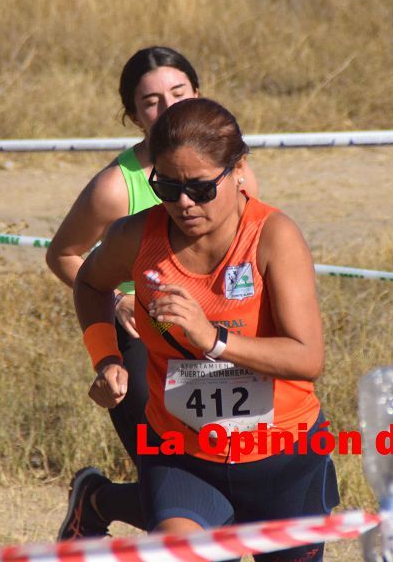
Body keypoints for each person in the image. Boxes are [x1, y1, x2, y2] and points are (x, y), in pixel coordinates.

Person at [73, 98, 340, 561]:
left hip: (284, 456)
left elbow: (307, 357)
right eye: (167, 186)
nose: (182, 203)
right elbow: (89, 283)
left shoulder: (274, 236)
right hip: (182, 455)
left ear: (238, 171)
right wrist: (107, 358)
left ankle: (98, 500)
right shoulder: (134, 236)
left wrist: (215, 340)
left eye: (199, 188)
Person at [47, 48, 257, 539]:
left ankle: (97, 500)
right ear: (133, 115)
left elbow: (254, 246)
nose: (166, 110)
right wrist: (121, 300)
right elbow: (63, 255)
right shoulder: (116, 188)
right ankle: (101, 501)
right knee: (176, 479)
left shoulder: (231, 170)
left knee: (231, 474)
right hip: (144, 339)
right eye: (150, 102)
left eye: (178, 95)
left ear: (198, 95)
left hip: (217, 335)